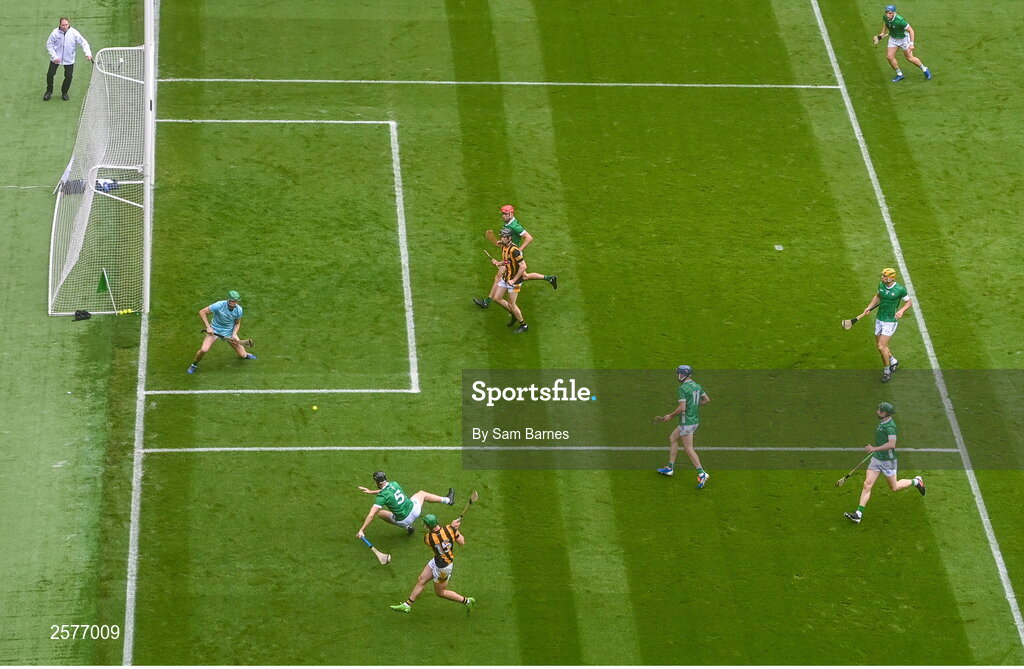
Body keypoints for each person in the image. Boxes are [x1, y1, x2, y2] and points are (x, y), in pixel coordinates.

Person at [844, 402, 925, 524]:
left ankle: (916, 481)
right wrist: (876, 452)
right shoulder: (882, 422)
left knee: (894, 487)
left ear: (885, 414)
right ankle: (858, 514)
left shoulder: (890, 427)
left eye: (880, 411)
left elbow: (892, 444)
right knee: (867, 484)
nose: (877, 411)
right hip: (877, 459)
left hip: (888, 462)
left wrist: (874, 449)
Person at [389, 513, 476, 615]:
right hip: (437, 560)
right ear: (437, 522)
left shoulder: (428, 538)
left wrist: (452, 528)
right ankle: (407, 605)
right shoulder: (449, 529)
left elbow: (439, 538)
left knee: (441, 593)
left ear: (426, 526)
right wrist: (455, 530)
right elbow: (461, 542)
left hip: (443, 568)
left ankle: (467, 601)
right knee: (421, 579)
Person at [474, 205, 557, 308]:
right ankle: (549, 278)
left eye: (505, 214)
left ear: (511, 214)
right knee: (525, 276)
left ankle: (487, 302)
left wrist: (518, 250)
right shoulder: (508, 223)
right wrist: (501, 242)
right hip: (510, 254)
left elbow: (529, 238)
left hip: (513, 256)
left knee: (498, 277)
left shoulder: (514, 226)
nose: (503, 216)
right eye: (502, 214)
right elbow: (510, 238)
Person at [656, 365, 711, 488]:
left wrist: (670, 415)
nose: (677, 376)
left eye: (678, 374)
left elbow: (682, 408)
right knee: (673, 438)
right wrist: (694, 407)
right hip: (694, 421)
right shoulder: (697, 386)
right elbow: (706, 399)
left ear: (682, 375)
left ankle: (701, 473)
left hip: (687, 422)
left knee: (688, 449)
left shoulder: (682, 388)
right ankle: (670, 468)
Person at [356, 471, 454, 537]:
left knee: (381, 513)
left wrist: (362, 529)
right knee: (422, 494)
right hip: (415, 510)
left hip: (404, 520)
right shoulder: (394, 484)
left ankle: (407, 527)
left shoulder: (382, 497)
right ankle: (448, 500)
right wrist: (371, 491)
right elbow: (386, 491)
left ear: (377, 482)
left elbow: (371, 515)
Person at [858, 267, 913, 383]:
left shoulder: (900, 289)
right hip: (879, 319)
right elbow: (878, 296)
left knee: (881, 346)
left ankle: (887, 372)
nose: (882, 277)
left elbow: (909, 302)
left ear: (890, 278)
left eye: (884, 276)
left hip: (890, 321)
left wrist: (901, 311)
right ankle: (893, 361)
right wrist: (869, 307)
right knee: (880, 346)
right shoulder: (881, 285)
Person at [187, 290, 256, 374]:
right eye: (232, 300)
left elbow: (237, 323)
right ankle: (194, 365)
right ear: (228, 299)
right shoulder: (219, 305)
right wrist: (208, 327)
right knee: (204, 350)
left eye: (235, 301)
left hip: (229, 332)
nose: (233, 303)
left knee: (243, 355)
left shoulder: (239, 310)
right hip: (215, 330)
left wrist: (234, 334)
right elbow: (202, 312)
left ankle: (246, 355)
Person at [874, 5, 931, 83]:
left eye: (890, 13)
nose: (888, 15)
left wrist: (911, 44)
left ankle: (924, 69)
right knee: (889, 57)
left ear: (894, 13)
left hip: (904, 39)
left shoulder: (900, 21)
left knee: (909, 58)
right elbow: (886, 24)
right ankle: (900, 74)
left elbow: (911, 31)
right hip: (893, 39)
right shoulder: (885, 17)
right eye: (886, 13)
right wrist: (883, 32)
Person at [489, 227, 529, 333]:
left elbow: (523, 266)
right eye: (501, 236)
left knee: (512, 304)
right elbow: (508, 261)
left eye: (504, 237)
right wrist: (498, 263)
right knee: (496, 298)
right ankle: (514, 313)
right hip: (506, 277)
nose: (502, 239)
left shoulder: (514, 250)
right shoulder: (504, 247)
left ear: (509, 237)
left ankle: (523, 325)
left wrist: (514, 279)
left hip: (514, 282)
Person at [44, 17, 92, 101]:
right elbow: (49, 45)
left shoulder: (74, 32)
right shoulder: (55, 33)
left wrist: (87, 53)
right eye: (63, 25)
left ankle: (64, 92)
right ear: (59, 24)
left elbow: (83, 43)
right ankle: (49, 91)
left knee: (69, 76)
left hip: (69, 59)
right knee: (50, 75)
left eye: (66, 25)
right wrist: (55, 57)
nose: (65, 27)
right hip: (55, 59)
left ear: (69, 24)